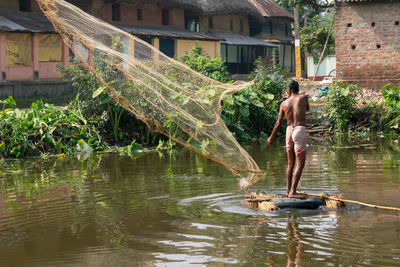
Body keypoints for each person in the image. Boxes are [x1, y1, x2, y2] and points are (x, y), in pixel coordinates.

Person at [267, 80, 309, 199]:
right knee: (300, 164)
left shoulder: (284, 104)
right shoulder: (304, 97)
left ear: (288, 90)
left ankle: (288, 191)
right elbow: (307, 108)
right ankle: (293, 192)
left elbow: (278, 123)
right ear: (298, 89)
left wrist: (271, 138)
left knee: (290, 163)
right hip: (299, 130)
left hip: (289, 131)